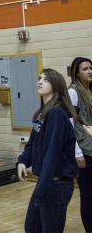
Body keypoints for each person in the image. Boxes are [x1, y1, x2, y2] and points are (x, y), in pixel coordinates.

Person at [17, 68, 78, 233]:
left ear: (56, 86)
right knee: (32, 227)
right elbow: (33, 142)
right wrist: (23, 160)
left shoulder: (57, 113)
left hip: (56, 185)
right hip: (46, 182)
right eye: (39, 78)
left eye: (46, 79)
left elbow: (52, 154)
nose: (40, 81)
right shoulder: (43, 112)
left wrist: (42, 189)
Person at [68, 56, 92, 233]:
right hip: (84, 149)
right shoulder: (73, 92)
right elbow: (70, 123)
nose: (90, 71)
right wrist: (77, 152)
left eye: (91, 68)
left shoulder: (90, 89)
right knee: (88, 195)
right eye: (85, 69)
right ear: (77, 72)